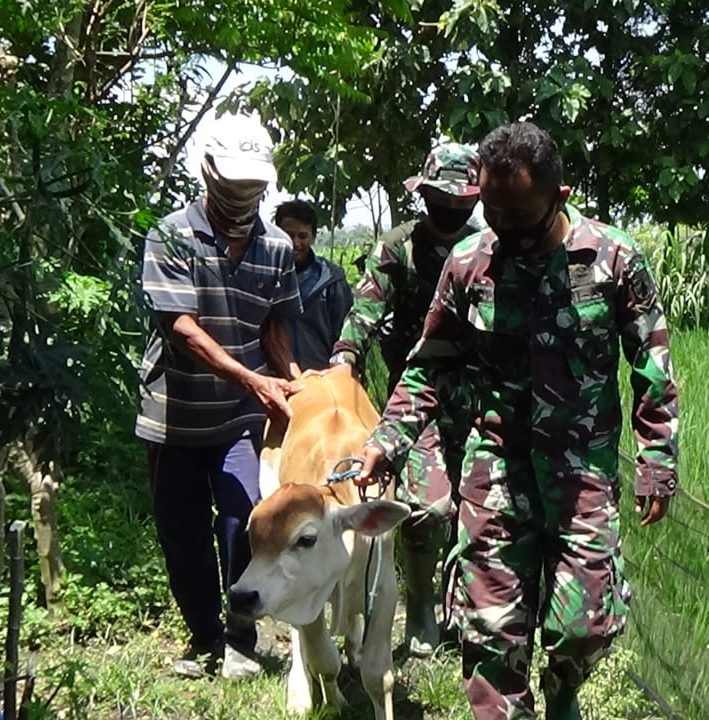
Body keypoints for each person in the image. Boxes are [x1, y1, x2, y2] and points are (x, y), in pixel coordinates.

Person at [351, 121, 680, 720]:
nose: (506, 229)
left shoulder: (613, 259)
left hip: (581, 473)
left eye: (520, 217)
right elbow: (432, 365)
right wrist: (389, 440)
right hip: (495, 467)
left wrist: (657, 460)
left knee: (583, 626)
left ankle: (563, 689)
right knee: (488, 631)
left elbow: (652, 366)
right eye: (494, 213)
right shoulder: (469, 263)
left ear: (560, 195)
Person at [134, 112, 301, 680]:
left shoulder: (277, 246)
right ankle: (203, 639)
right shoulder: (172, 235)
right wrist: (253, 380)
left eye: (254, 188)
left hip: (235, 420)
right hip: (175, 417)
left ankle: (239, 638)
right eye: (234, 187)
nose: (243, 198)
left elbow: (276, 325)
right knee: (182, 534)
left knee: (241, 520)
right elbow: (181, 328)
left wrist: (292, 378)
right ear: (208, 174)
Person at [327, 143, 482, 658]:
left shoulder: (488, 247)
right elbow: (365, 310)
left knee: (481, 504)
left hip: (483, 395)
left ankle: (470, 609)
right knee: (426, 506)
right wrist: (345, 360)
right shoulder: (400, 248)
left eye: (462, 202)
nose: (451, 210)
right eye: (442, 199)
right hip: (419, 393)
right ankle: (420, 608)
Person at [273, 199, 351, 370]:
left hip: (321, 379)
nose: (295, 243)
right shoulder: (265, 275)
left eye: (302, 236)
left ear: (314, 236)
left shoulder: (331, 279)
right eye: (288, 235)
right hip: (273, 379)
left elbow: (345, 334)